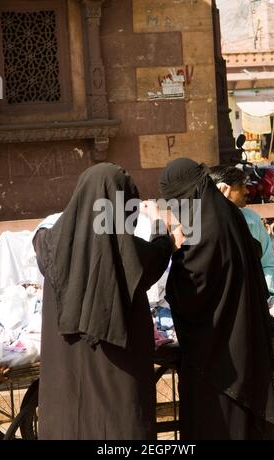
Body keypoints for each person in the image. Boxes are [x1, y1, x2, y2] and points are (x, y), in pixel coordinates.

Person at [32, 162, 174, 440]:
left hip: (64, 401)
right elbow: (159, 252)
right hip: (119, 393)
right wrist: (158, 221)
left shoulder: (47, 243)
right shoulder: (130, 253)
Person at [159, 157, 274, 440]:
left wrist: (171, 249)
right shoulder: (230, 214)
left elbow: (189, 290)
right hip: (243, 343)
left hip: (216, 354)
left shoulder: (204, 228)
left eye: (176, 198)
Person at [209, 165, 274, 298]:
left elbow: (268, 264)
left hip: (255, 297)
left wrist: (264, 292)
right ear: (226, 188)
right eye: (242, 186)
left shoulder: (252, 219)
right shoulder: (205, 222)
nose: (247, 191)